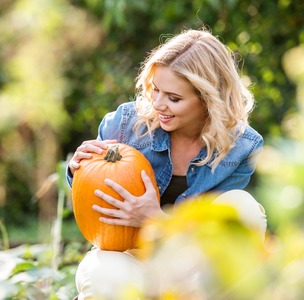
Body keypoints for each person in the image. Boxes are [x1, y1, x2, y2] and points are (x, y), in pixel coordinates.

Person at [66, 28, 267, 299]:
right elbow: (89, 190)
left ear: (208, 100)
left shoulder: (241, 147)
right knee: (103, 276)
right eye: (156, 90)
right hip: (129, 258)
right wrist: (77, 167)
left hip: (191, 266)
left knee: (244, 208)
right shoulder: (127, 124)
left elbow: (216, 240)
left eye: (174, 98)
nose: (159, 104)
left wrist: (156, 219)